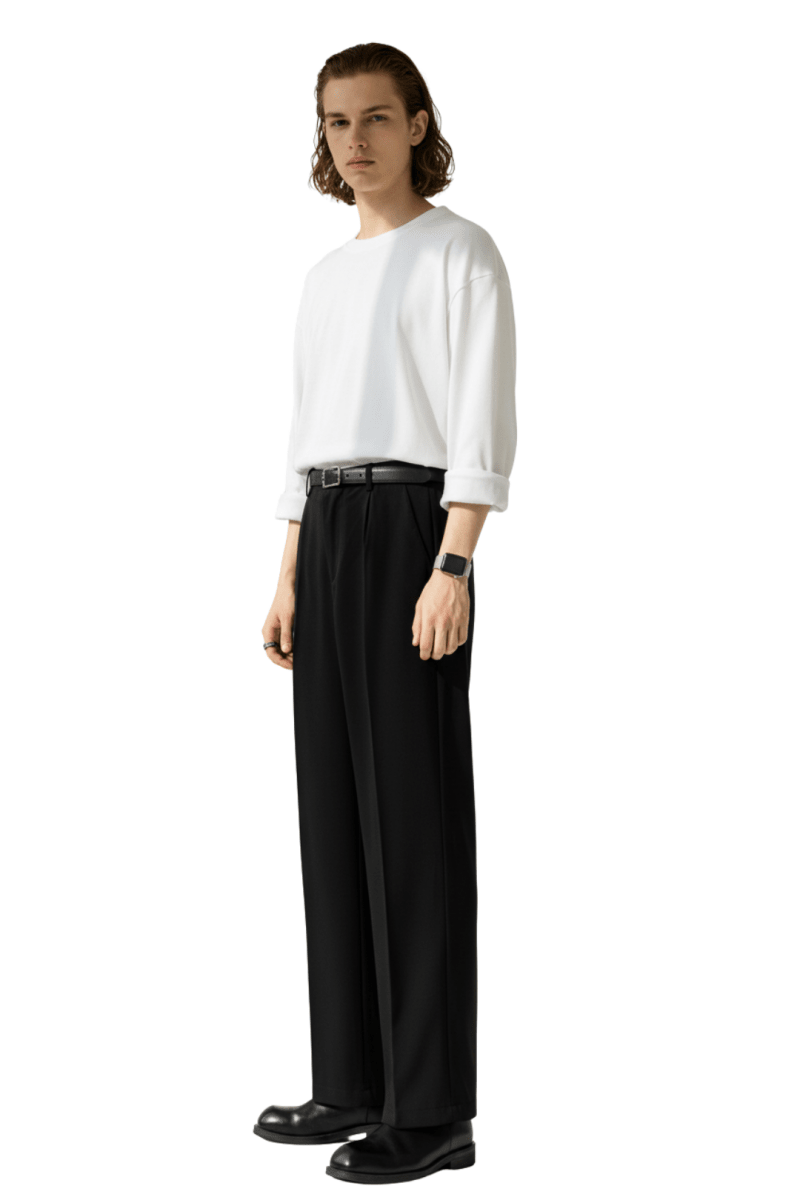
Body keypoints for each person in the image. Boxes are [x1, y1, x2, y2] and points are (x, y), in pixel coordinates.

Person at [255, 42, 517, 1185]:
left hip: (415, 529)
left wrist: (451, 564)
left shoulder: (460, 253)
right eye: (335, 122)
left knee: (413, 826)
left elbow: (479, 418)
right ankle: (350, 1083)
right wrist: (287, 574)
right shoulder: (324, 278)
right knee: (332, 820)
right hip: (327, 527)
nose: (353, 141)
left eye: (374, 118)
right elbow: (305, 428)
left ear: (416, 125)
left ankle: (433, 1111)